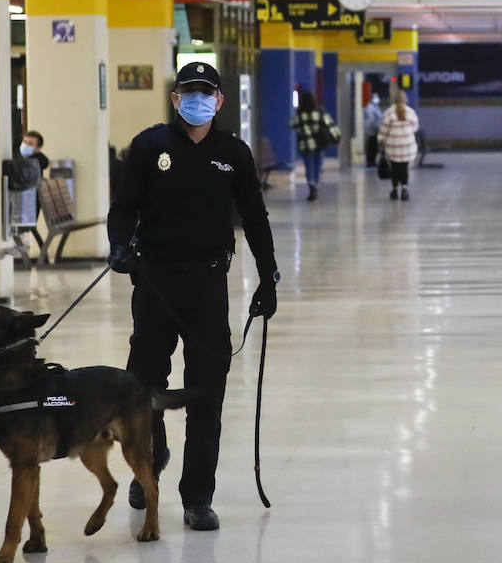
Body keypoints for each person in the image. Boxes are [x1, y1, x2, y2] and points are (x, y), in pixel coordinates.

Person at [106, 61, 279, 532]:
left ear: (219, 101)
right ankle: (150, 466)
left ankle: (198, 497)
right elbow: (122, 207)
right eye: (189, 91)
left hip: (207, 287)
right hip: (155, 282)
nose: (197, 98)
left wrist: (269, 278)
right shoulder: (149, 147)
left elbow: (255, 218)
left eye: (206, 92)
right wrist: (119, 244)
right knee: (143, 388)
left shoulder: (233, 153)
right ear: (175, 98)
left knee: (207, 394)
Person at [288, 89, 338, 202]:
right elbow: (329, 124)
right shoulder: (319, 111)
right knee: (317, 165)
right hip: (319, 144)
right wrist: (336, 137)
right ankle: (316, 184)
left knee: (309, 166)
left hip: (305, 145)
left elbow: (292, 125)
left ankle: (311, 185)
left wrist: (303, 130)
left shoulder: (299, 114)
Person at [377, 89, 419, 200]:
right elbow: (415, 128)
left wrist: (381, 140)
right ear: (405, 99)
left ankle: (395, 190)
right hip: (407, 146)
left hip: (393, 146)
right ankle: (404, 189)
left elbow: (384, 130)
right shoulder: (410, 112)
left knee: (395, 168)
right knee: (404, 168)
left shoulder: (389, 112)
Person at [362, 93, 384, 166]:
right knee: (371, 147)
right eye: (375, 98)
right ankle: (370, 161)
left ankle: (372, 161)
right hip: (370, 130)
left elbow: (380, 117)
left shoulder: (376, 107)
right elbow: (372, 120)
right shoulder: (369, 107)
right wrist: (378, 127)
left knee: (374, 147)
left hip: (374, 130)